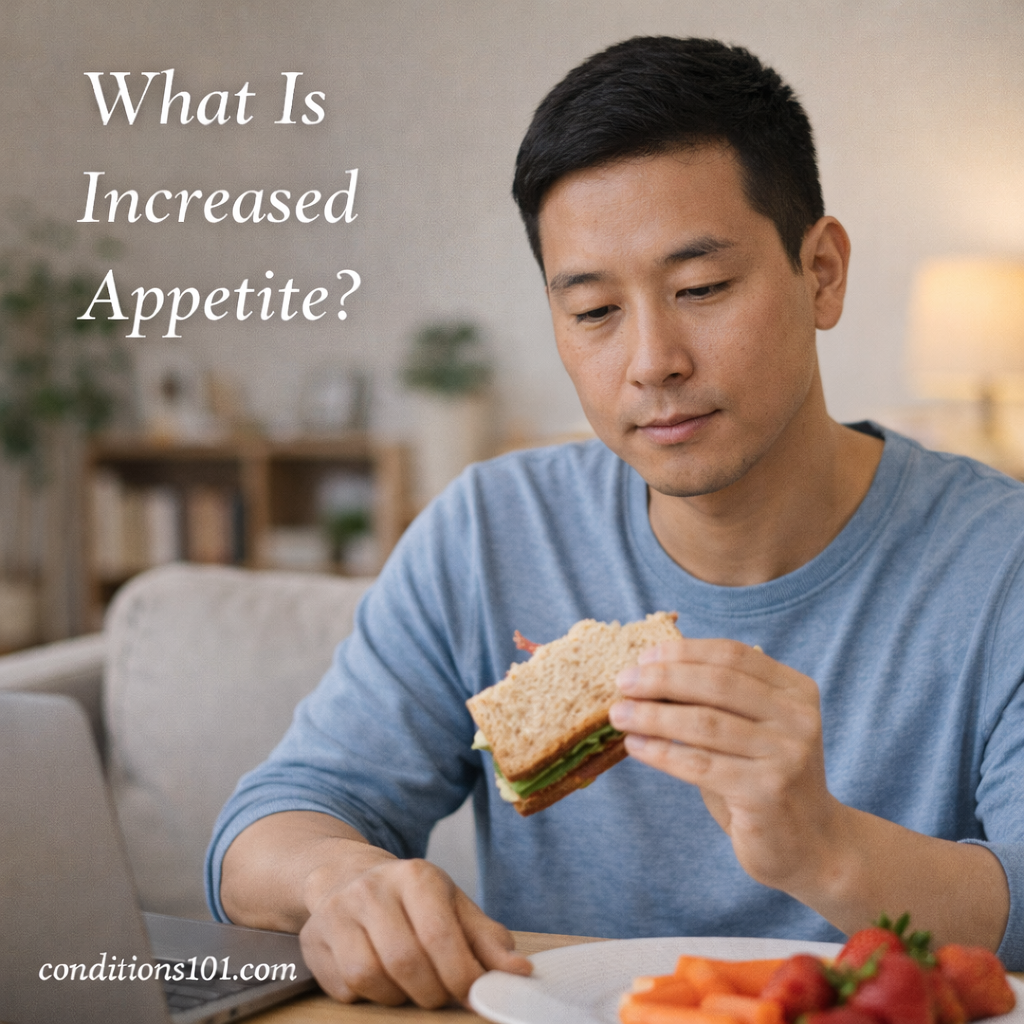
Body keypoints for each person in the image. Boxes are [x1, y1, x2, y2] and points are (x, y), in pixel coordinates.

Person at [207, 36, 1024, 1007]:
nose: (651, 360)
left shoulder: (1000, 560)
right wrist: (339, 880)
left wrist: (824, 845)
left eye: (701, 289)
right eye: (594, 310)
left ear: (821, 273)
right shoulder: (491, 532)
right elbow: (271, 825)